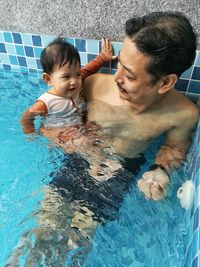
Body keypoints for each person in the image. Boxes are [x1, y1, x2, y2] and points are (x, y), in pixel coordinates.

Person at [20, 37, 116, 134]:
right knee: (81, 141)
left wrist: (102, 57)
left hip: (77, 125)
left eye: (77, 74)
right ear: (48, 79)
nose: (74, 81)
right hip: (58, 133)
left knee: (101, 127)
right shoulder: (46, 102)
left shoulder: (75, 82)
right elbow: (27, 116)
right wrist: (30, 133)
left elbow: (88, 69)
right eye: (66, 77)